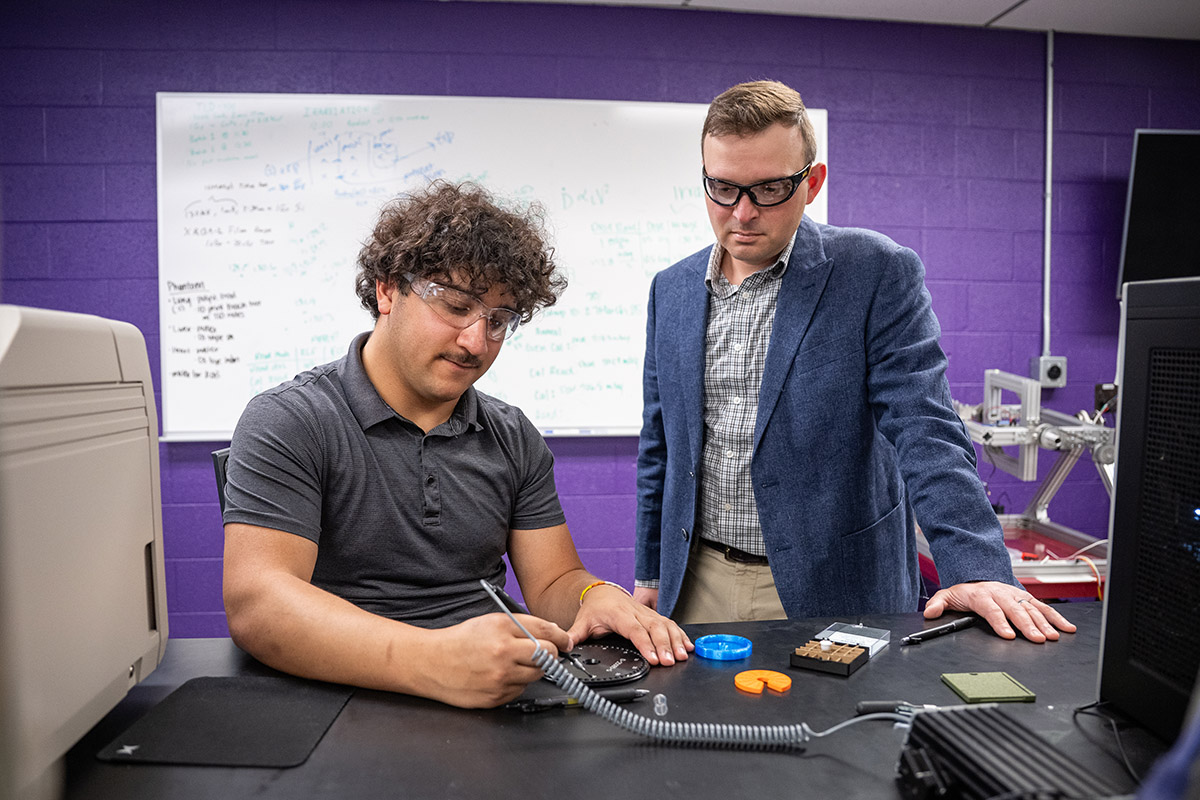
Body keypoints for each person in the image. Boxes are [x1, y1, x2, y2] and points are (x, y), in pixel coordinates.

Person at [632, 80, 1075, 643]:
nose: (741, 213)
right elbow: (660, 445)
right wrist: (651, 570)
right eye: (722, 188)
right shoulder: (669, 291)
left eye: (768, 189)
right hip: (697, 583)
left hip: (832, 586)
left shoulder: (874, 272)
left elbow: (926, 426)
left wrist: (977, 568)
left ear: (811, 182)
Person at [222, 181, 692, 709]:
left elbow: (554, 579)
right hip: (339, 698)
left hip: (491, 693)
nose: (476, 341)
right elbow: (258, 602)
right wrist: (433, 660)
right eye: (455, 305)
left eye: (499, 320)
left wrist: (593, 595)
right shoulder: (291, 419)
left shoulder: (511, 435)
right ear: (386, 291)